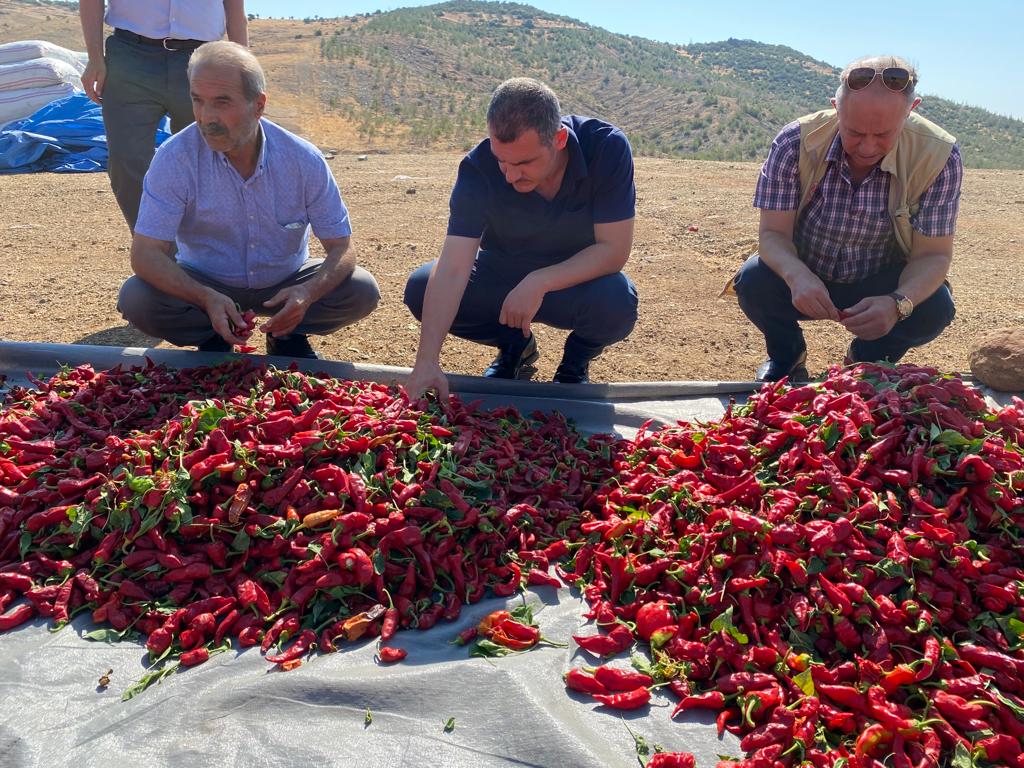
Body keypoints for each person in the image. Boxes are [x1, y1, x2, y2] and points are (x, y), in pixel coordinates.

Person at [117, 41, 380, 358]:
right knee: (137, 298)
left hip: (285, 281)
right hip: (206, 282)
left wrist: (306, 294)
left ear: (258, 105)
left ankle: (287, 333)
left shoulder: (302, 159)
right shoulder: (175, 158)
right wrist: (204, 297)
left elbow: (342, 247)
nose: (206, 117)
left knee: (360, 290)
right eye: (197, 101)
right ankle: (213, 335)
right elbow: (146, 253)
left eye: (222, 102)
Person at [403, 77, 638, 397]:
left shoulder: (605, 148)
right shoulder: (478, 167)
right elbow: (454, 268)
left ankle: (575, 363)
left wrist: (540, 281)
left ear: (558, 139)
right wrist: (427, 361)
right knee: (421, 287)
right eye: (503, 161)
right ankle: (516, 348)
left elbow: (614, 249)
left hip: (576, 277)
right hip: (502, 274)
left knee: (618, 301)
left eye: (524, 163)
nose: (510, 175)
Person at [735, 55, 961, 381]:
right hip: (806, 271)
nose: (868, 147)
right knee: (753, 280)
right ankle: (787, 356)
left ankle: (866, 360)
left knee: (934, 306)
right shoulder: (794, 141)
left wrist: (897, 304)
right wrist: (796, 275)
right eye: (854, 132)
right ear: (836, 108)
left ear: (911, 111)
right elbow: (773, 235)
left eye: (884, 134)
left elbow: (934, 255)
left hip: (880, 281)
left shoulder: (939, 156)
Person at [79, 0, 249, 231]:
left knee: (209, 159)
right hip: (129, 57)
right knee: (126, 159)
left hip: (202, 60)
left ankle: (202, 251)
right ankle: (156, 249)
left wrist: (243, 73)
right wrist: (95, 58)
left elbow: (235, 8)